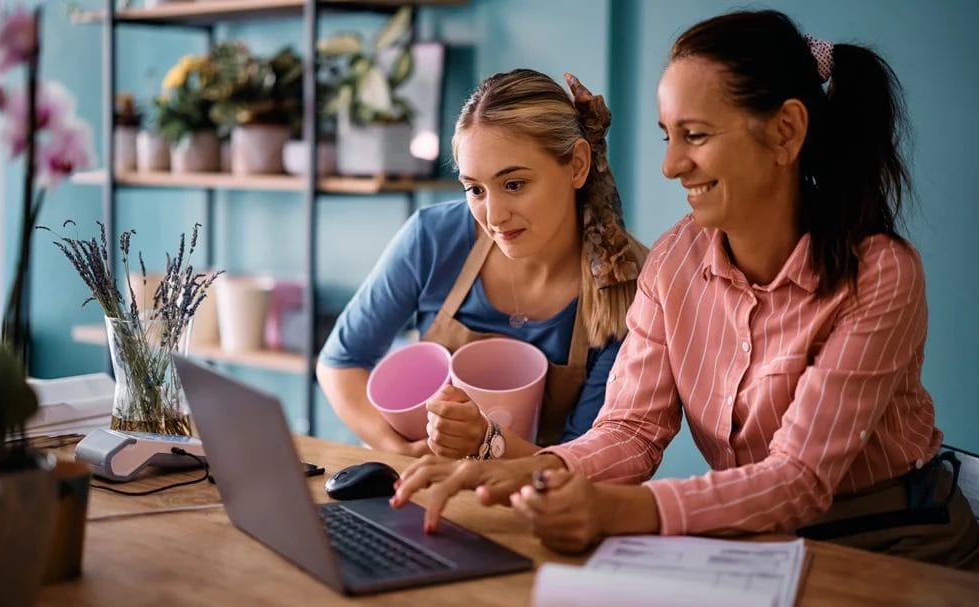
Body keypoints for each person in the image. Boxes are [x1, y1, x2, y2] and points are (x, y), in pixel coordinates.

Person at [392, 10, 979, 570]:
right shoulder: (675, 260)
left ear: (786, 132)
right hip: (758, 540)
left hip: (894, 543)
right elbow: (632, 430)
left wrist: (620, 511)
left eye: (694, 135)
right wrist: (516, 470)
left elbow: (799, 479)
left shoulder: (880, 274)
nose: (671, 165)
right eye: (667, 136)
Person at [317, 69, 649, 459]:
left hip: (540, 510)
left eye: (514, 185)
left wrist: (485, 443)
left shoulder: (629, 284)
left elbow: (589, 458)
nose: (493, 216)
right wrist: (393, 447)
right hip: (421, 486)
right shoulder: (434, 237)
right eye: (475, 189)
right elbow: (341, 362)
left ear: (577, 165)